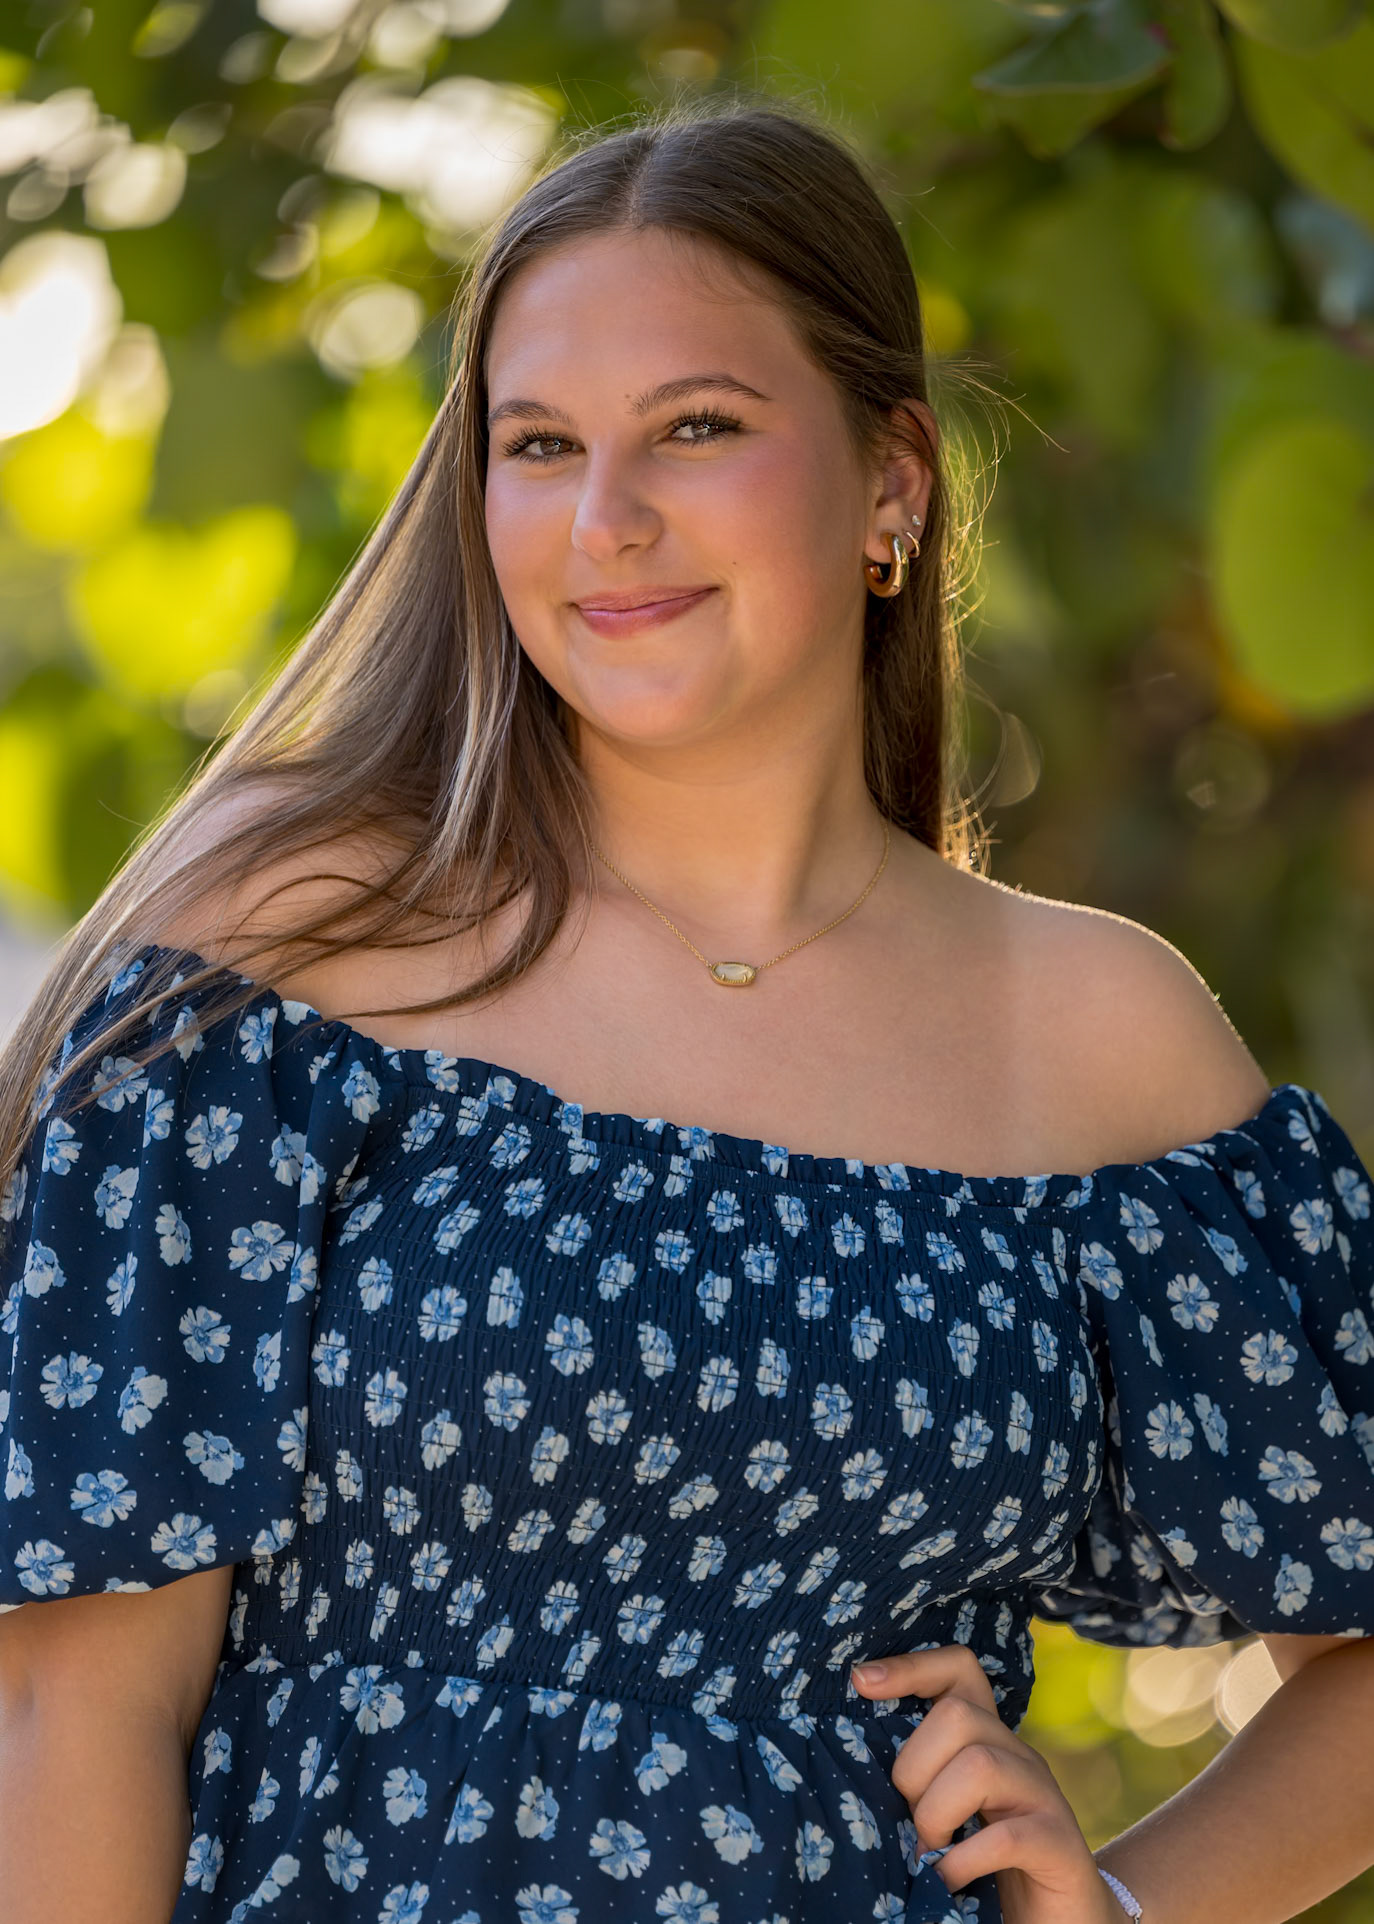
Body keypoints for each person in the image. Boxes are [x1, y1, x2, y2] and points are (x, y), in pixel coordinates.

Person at [0, 94, 1371, 1924]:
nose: (606, 520)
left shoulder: (1093, 1030)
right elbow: (65, 1704)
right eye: (539, 443)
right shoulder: (288, 953)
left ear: (891, 478)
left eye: (696, 429)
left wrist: (1120, 1902)